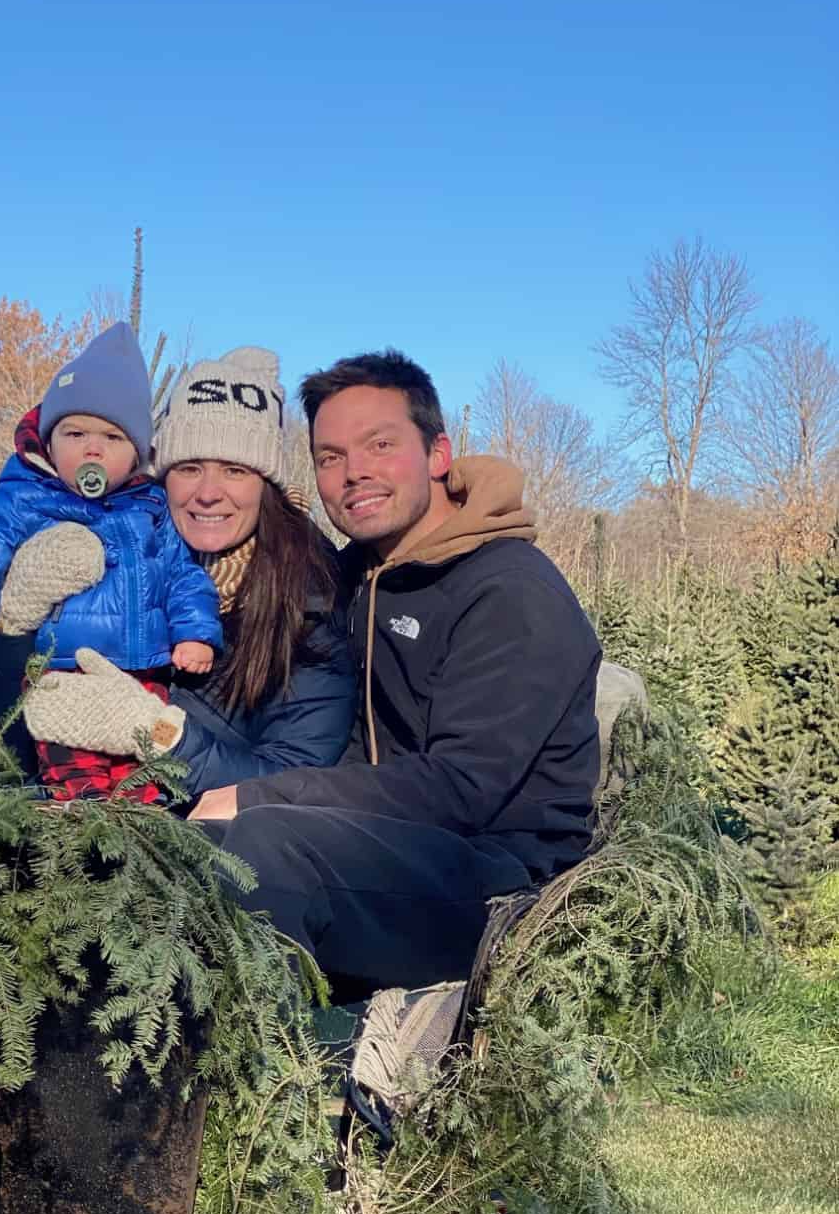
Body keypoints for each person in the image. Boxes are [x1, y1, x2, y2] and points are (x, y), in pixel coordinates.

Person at [187, 349, 601, 995]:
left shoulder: (509, 590)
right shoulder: (353, 577)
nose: (354, 473)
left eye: (379, 445)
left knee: (263, 848)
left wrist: (257, 796)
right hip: (379, 847)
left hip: (497, 878)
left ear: (438, 454)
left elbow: (463, 787)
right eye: (330, 457)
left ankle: (243, 1071)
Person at [19, 346, 359, 797]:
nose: (208, 493)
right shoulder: (112, 561)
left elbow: (291, 782)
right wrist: (14, 621)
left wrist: (160, 733)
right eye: (190, 468)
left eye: (235, 470)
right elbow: (13, 732)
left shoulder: (312, 605)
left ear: (266, 487)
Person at [0, 321, 222, 800]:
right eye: (76, 432)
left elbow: (183, 574)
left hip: (139, 675)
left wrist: (196, 632)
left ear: (136, 453)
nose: (92, 448)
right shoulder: (20, 499)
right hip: (57, 673)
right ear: (47, 440)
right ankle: (78, 820)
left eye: (112, 437)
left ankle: (139, 824)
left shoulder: (149, 507)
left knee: (141, 774)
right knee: (74, 771)